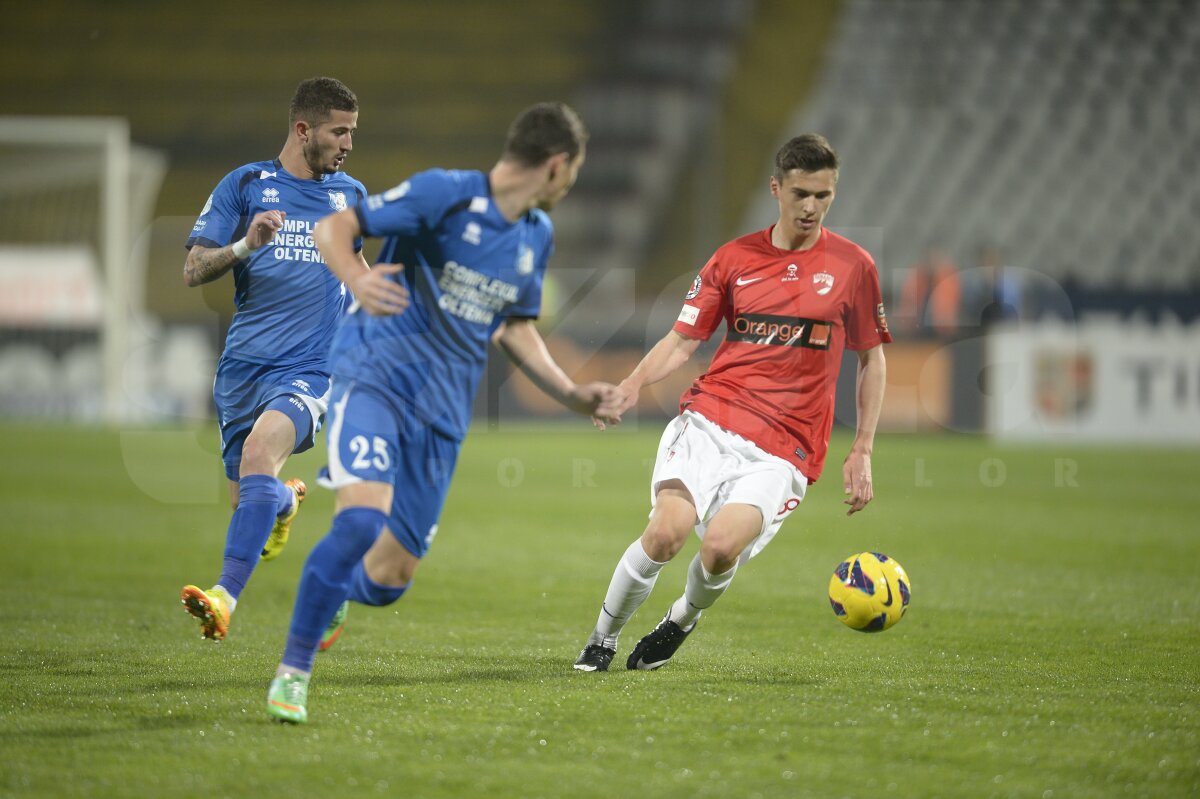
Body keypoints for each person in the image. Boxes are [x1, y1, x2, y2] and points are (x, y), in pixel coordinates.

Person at [266, 102, 621, 723]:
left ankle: (337, 595)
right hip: (375, 378)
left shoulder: (536, 234)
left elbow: (515, 327)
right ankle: (292, 674)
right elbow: (333, 230)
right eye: (573, 172)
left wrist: (571, 392)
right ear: (557, 165)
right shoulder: (444, 194)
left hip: (442, 412)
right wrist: (356, 276)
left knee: (390, 577)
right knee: (357, 525)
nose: (570, 185)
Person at [573, 133, 891, 673]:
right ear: (776, 189)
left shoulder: (853, 267)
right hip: (711, 420)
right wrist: (629, 385)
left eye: (823, 195)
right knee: (666, 533)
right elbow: (681, 339)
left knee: (719, 548)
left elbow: (871, 359)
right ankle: (602, 639)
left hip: (785, 448)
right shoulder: (734, 258)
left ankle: (681, 619)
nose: (811, 207)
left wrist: (862, 447)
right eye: (800, 194)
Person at [179, 77, 382, 643]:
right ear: (303, 130)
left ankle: (223, 598)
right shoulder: (244, 185)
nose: (347, 144)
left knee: (259, 449)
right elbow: (193, 269)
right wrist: (245, 245)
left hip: (313, 367)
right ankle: (286, 506)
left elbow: (355, 270)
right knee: (250, 497)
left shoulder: (350, 196)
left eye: (352, 132)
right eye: (338, 131)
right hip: (243, 369)